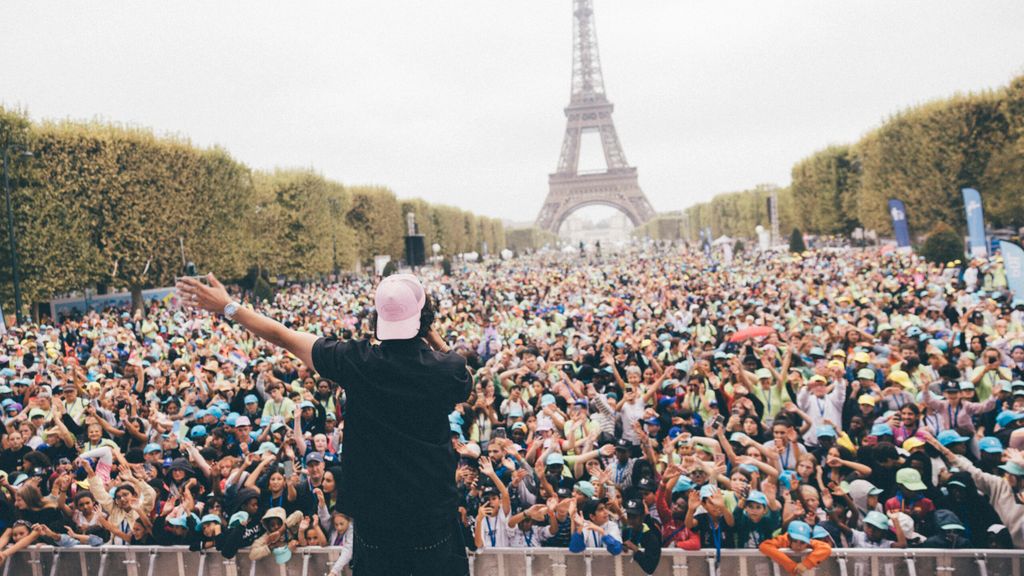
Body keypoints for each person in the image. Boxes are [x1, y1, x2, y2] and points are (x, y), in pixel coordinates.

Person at [178, 273, 472, 576]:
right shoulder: (447, 369)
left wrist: (228, 307)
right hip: (431, 516)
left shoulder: (354, 360)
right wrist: (430, 334)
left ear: (377, 320)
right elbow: (463, 378)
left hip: (376, 519)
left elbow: (282, 335)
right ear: (425, 320)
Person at [758, 520, 832, 575]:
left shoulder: (810, 542)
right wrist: (791, 566)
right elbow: (764, 546)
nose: (798, 545)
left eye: (802, 542)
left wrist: (806, 564)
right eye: (795, 540)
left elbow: (826, 548)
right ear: (789, 538)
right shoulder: (783, 539)